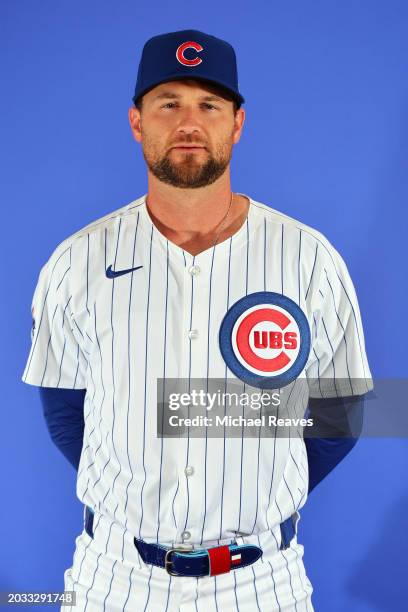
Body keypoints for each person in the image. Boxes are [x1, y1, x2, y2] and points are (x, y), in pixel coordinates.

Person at [21, 29, 373, 611]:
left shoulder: (309, 259)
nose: (189, 122)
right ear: (137, 121)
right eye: (169, 104)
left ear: (237, 123)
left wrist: (261, 487)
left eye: (209, 105)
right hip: (114, 578)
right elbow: (66, 415)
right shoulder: (76, 263)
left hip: (264, 582)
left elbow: (343, 412)